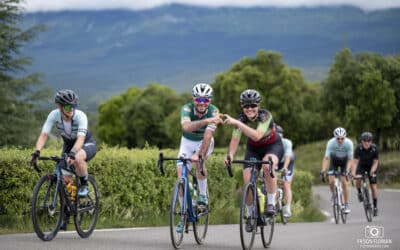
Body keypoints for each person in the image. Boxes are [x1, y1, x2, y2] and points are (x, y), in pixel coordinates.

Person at [31, 89, 97, 230]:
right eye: (68, 106)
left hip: (85, 143)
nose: (71, 109)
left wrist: (73, 153)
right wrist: (37, 151)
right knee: (65, 179)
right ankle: (66, 215)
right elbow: (44, 135)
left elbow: (80, 139)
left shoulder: (80, 116)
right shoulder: (53, 115)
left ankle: (85, 183)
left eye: (74, 106)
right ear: (59, 107)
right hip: (68, 145)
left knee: (78, 159)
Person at [223, 89, 284, 231]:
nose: (249, 109)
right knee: (247, 179)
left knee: (268, 167)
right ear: (242, 106)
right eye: (246, 106)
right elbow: (235, 139)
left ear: (258, 106)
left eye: (253, 106)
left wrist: (238, 124)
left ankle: (270, 203)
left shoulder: (265, 116)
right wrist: (230, 155)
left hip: (272, 146)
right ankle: (251, 215)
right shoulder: (240, 120)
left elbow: (257, 135)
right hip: (254, 149)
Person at [175, 83, 223, 233]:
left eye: (206, 100)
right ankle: (183, 215)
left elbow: (208, 136)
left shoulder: (214, 111)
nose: (202, 104)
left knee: (198, 164)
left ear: (210, 101)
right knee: (181, 177)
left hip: (204, 141)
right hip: (187, 142)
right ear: (193, 99)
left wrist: (199, 154)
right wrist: (206, 121)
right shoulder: (186, 109)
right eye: (199, 100)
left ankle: (203, 195)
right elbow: (186, 127)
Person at [321, 127, 353, 214]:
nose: (340, 140)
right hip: (334, 161)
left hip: (344, 162)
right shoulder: (331, 143)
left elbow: (350, 160)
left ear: (345, 137)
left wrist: (347, 170)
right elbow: (326, 158)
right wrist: (323, 170)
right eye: (338, 138)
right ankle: (334, 195)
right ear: (335, 138)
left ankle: (346, 204)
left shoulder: (349, 143)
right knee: (331, 181)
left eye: (342, 138)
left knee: (344, 183)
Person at [352, 132, 379, 216]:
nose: (366, 142)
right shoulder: (358, 148)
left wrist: (372, 171)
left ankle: (375, 207)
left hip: (372, 166)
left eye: (369, 141)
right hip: (361, 166)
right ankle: (359, 192)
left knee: (373, 187)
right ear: (361, 141)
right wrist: (353, 173)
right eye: (364, 141)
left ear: (371, 141)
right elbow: (355, 162)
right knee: (358, 178)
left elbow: (375, 162)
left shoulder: (374, 148)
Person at [275, 125, 295, 218]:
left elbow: (288, 156)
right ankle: (274, 203)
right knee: (272, 181)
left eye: (279, 135)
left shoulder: (287, 143)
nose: (278, 137)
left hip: (288, 162)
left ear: (282, 135)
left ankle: (287, 208)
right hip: (277, 162)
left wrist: (285, 168)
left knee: (286, 184)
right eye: (276, 135)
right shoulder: (271, 144)